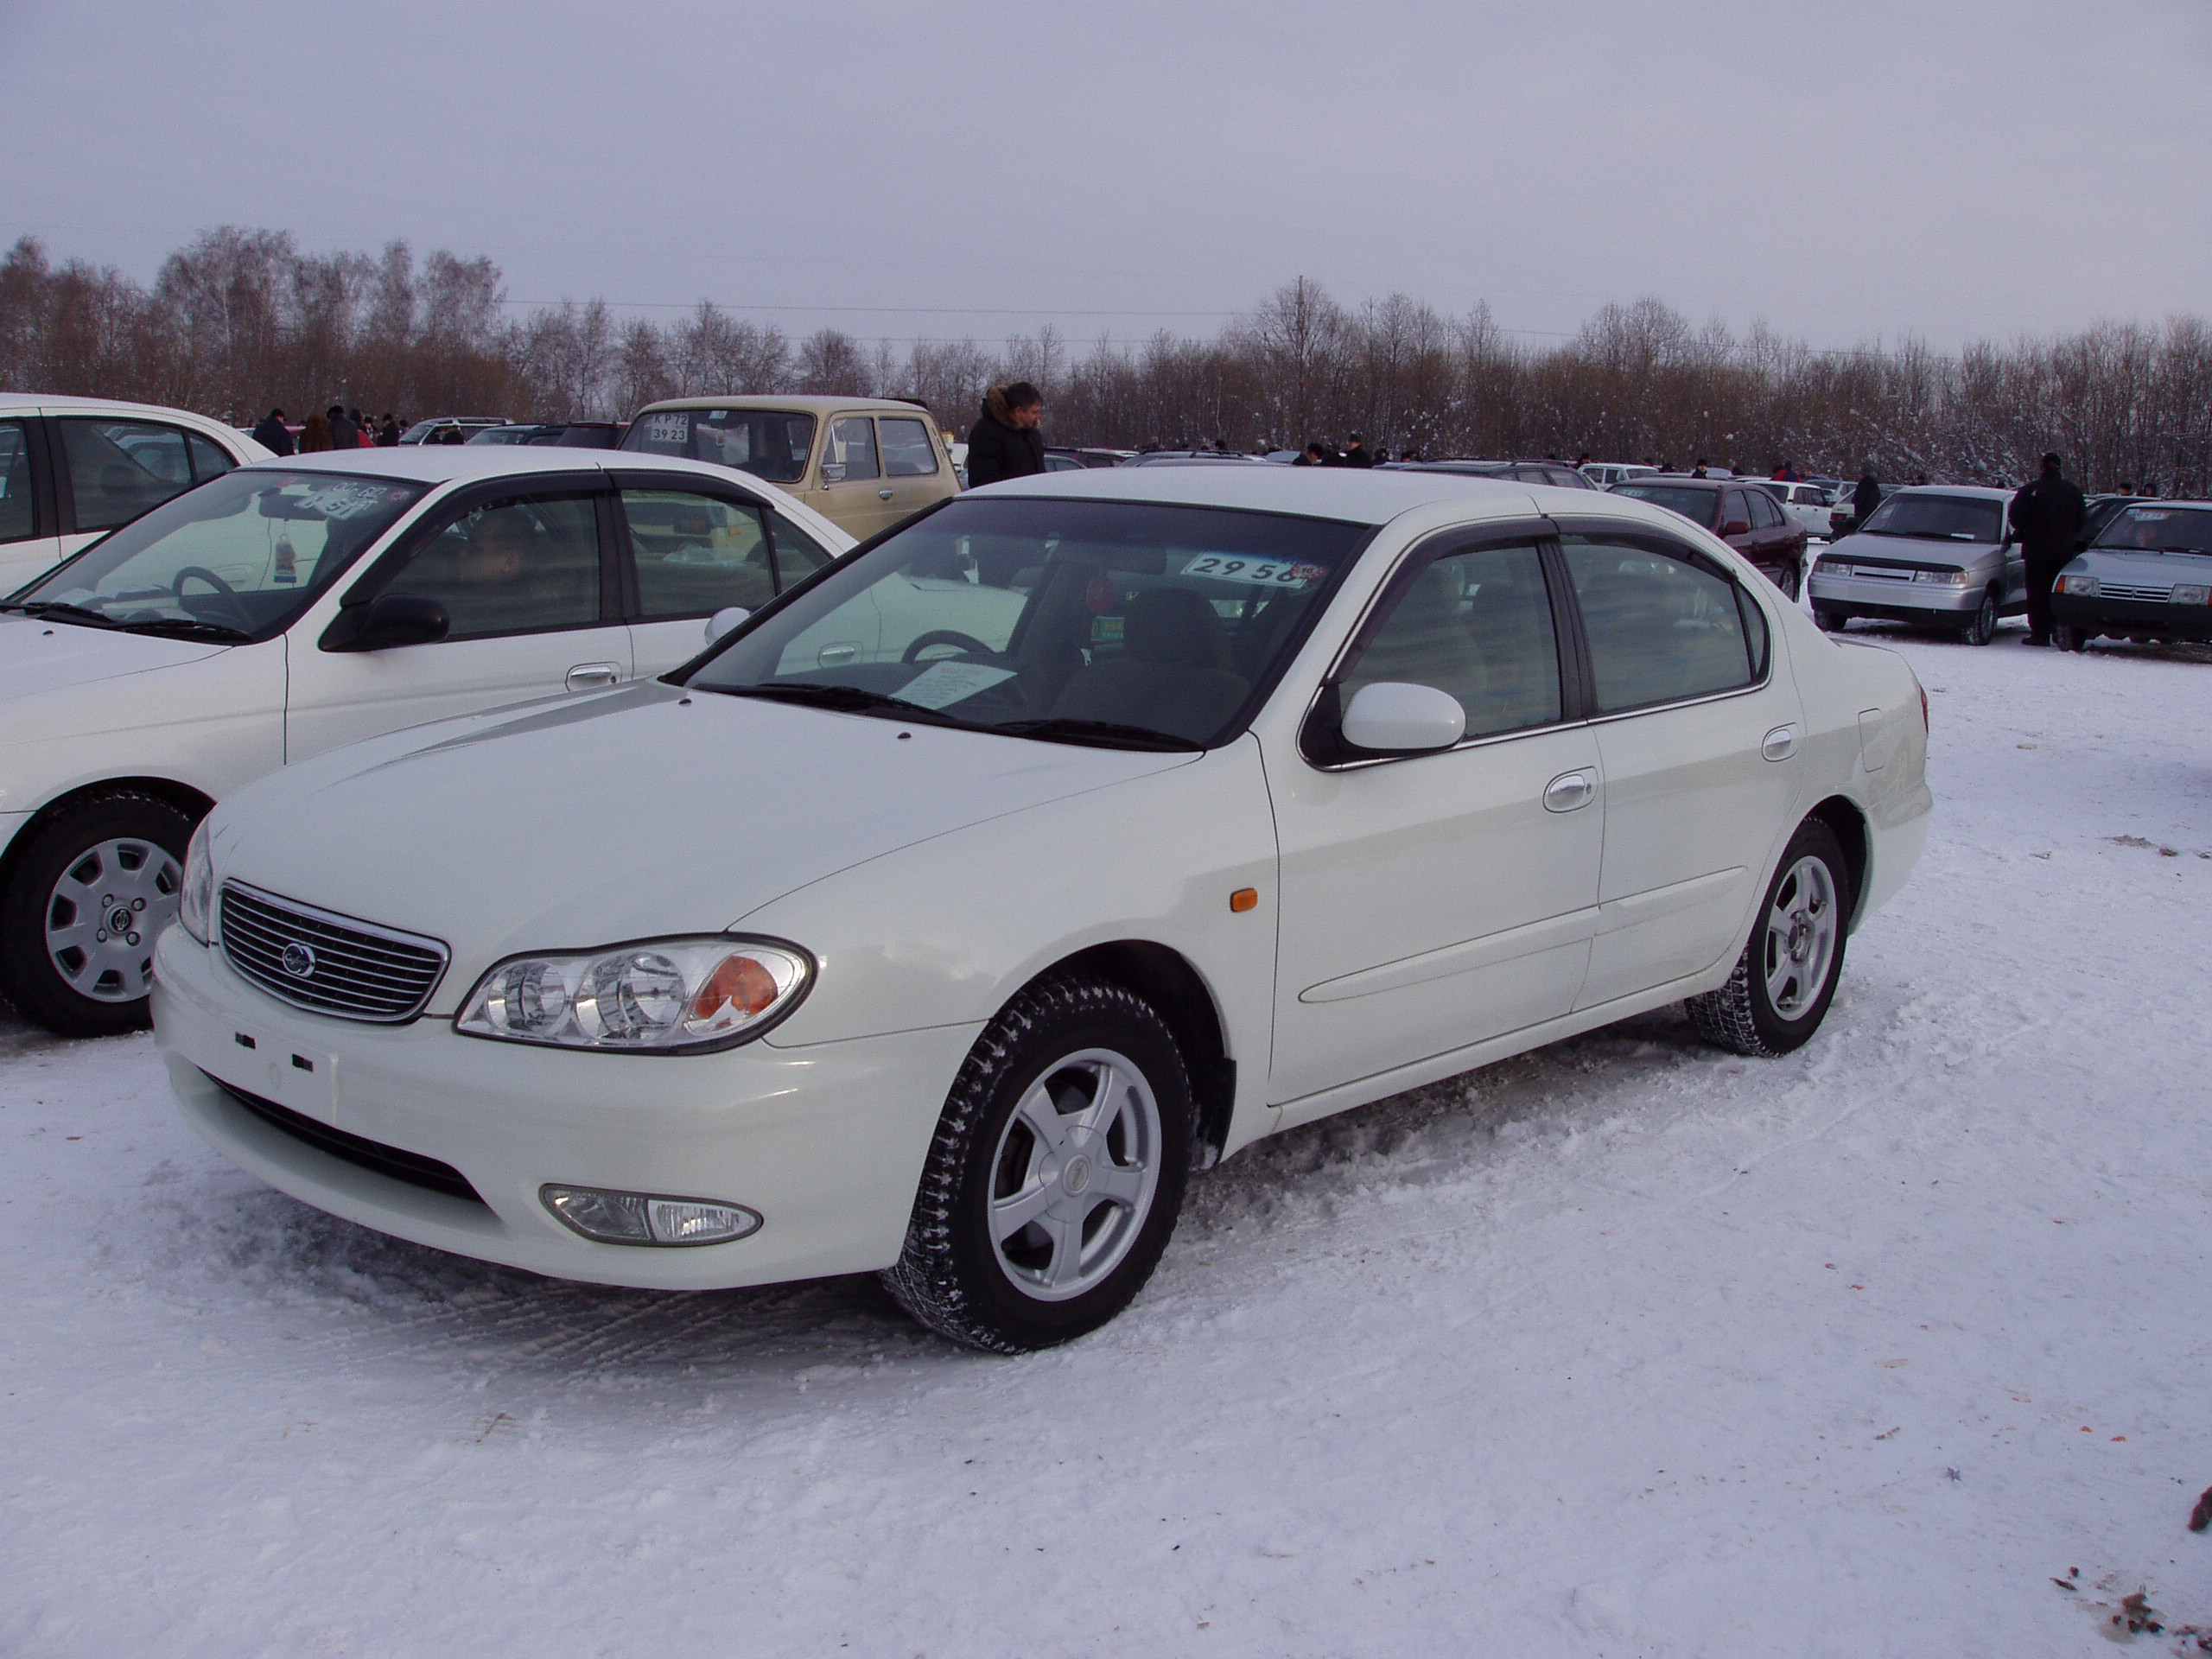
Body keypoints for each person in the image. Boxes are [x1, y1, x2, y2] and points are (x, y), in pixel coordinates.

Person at [2009, 451, 2087, 646]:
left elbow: (2017, 518)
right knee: (2058, 592)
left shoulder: (2031, 491)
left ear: (2042, 467)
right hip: (2064, 551)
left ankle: (2040, 632)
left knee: (2037, 592)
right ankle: (2058, 628)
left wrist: (2030, 530)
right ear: (2059, 467)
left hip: (2037, 551)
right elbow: (2081, 521)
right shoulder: (2073, 491)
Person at [965, 382, 1046, 488]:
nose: (1038, 417)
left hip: (1032, 500)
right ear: (1018, 411)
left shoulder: (1032, 433)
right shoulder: (987, 432)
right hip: (1004, 501)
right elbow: (983, 479)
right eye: (1034, 412)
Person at [1852, 464, 1882, 528]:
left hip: (1862, 512)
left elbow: (1860, 497)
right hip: (1872, 511)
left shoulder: (1863, 483)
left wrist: (1855, 501)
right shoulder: (1874, 484)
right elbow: (1878, 496)